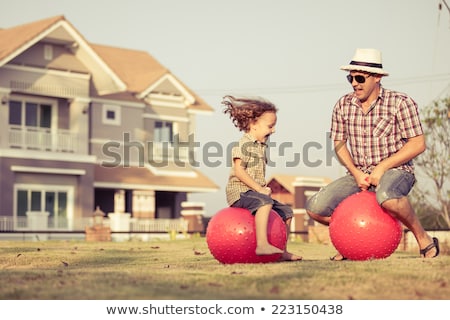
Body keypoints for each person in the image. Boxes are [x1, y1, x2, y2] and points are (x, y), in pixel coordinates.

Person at [305, 48, 439, 260]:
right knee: (315, 208)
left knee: (387, 197)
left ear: (377, 78)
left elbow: (418, 144)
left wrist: (383, 167)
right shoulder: (343, 105)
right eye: (350, 78)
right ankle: (351, 242)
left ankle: (424, 239)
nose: (354, 83)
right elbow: (339, 142)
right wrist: (356, 173)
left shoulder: (401, 103)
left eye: (359, 78)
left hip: (397, 171)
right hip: (359, 175)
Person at [223, 95, 302, 261]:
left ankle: (282, 251)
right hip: (240, 193)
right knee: (264, 202)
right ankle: (262, 244)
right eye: (270, 126)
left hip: (255, 193)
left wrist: (260, 189)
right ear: (253, 124)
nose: (273, 130)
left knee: (287, 212)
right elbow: (239, 171)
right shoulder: (243, 144)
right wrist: (259, 189)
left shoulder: (261, 146)